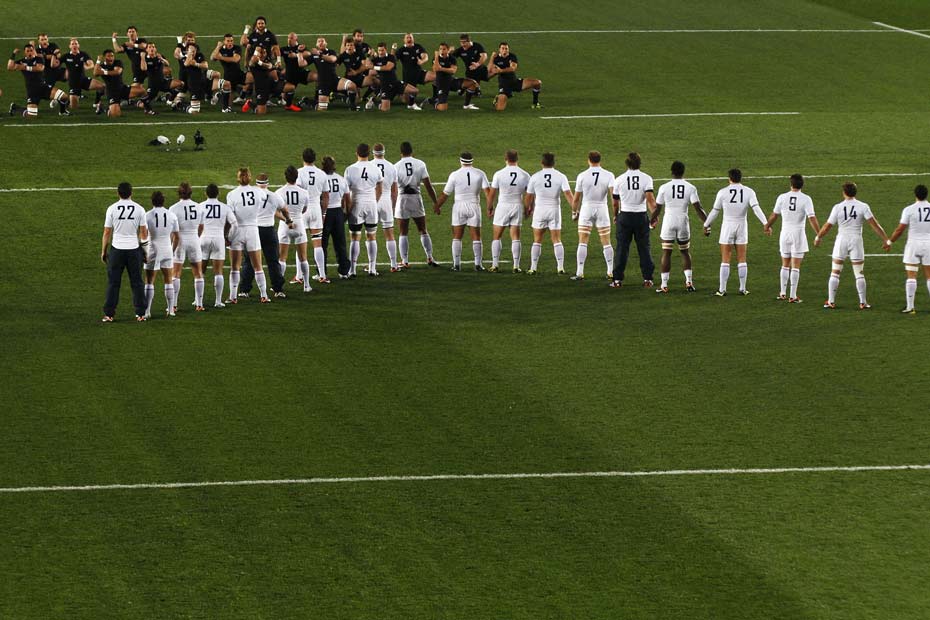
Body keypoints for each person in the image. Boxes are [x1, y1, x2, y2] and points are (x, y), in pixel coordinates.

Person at [815, 182, 891, 309]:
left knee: (835, 272)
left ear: (844, 193)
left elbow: (828, 226)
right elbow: (874, 224)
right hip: (856, 241)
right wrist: (885, 239)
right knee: (859, 273)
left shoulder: (838, 207)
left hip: (841, 241)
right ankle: (863, 302)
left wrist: (818, 237)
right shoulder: (863, 206)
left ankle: (831, 301)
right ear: (855, 192)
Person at [703, 169, 768, 297]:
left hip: (727, 227)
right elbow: (756, 209)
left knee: (725, 259)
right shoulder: (749, 192)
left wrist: (706, 224)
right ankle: (742, 289)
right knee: (742, 259)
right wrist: (765, 223)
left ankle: (722, 290)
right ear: (740, 178)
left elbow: (715, 211)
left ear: (729, 178)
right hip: (742, 226)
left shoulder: (723, 192)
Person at [764, 174, 821, 303]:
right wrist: (819, 233)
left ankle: (782, 293)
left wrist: (767, 226)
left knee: (785, 264)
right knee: (795, 267)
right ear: (802, 185)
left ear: (791, 184)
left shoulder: (782, 197)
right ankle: (793, 296)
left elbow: (774, 215)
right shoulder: (806, 199)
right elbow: (811, 218)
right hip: (798, 235)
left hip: (784, 234)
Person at [652, 160, 706, 292]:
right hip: (683, 221)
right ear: (683, 172)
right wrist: (707, 223)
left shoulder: (664, 187)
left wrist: (651, 220)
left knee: (666, 252)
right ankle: (689, 282)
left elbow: (658, 208)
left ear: (671, 172)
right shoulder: (690, 187)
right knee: (685, 252)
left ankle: (664, 285)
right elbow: (698, 208)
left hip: (669, 220)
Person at [101, 182, 149, 322]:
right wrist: (145, 252)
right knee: (137, 282)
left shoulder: (112, 209)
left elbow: (107, 232)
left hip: (117, 250)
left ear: (118, 193)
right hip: (134, 250)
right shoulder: (140, 209)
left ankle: (109, 314)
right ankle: (140, 314)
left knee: (113, 283)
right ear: (131, 193)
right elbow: (143, 233)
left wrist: (103, 251)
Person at [435, 152, 491, 271]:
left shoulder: (454, 175)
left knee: (457, 237)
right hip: (474, 206)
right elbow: (488, 192)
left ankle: (456, 265)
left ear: (460, 161)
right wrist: (490, 207)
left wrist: (437, 206)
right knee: (476, 237)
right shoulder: (480, 173)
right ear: (472, 161)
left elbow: (445, 194)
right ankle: (478, 265)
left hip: (459, 207)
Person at [239, 173, 290, 298]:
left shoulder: (251, 195)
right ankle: (278, 289)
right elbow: (285, 209)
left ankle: (244, 290)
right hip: (269, 230)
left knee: (250, 261)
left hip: (254, 230)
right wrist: (288, 219)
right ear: (267, 183)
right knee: (273, 261)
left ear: (256, 183)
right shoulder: (274, 196)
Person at [610, 152, 656, 288]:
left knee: (621, 248)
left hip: (624, 216)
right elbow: (650, 200)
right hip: (641, 216)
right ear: (639, 163)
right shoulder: (646, 178)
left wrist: (615, 215)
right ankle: (648, 279)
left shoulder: (619, 179)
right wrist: (655, 216)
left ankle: (617, 280)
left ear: (627, 164)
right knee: (644, 248)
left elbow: (615, 202)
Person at [394, 141, 440, 267]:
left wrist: (392, 204)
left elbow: (393, 188)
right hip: (416, 199)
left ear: (401, 153)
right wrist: (436, 203)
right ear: (412, 152)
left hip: (402, 199)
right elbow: (429, 186)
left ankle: (405, 261)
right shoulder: (420, 164)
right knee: (423, 230)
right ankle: (430, 257)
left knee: (403, 232)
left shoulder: (396, 166)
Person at [571, 151, 615, 281]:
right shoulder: (609, 175)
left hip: (586, 209)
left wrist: (574, 212)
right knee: (606, 241)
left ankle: (580, 272)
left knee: (583, 241)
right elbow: (613, 197)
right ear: (600, 160)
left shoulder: (582, 176)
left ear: (588, 160)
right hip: (602, 209)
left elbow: (576, 199)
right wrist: (616, 213)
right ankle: (610, 272)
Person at [525, 152, 572, 274]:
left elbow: (528, 196)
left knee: (537, 240)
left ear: (542, 163)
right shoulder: (561, 176)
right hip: (554, 210)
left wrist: (527, 209)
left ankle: (533, 268)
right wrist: (575, 208)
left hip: (540, 210)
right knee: (556, 239)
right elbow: (568, 194)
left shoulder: (535, 177)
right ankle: (560, 268)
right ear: (554, 163)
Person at [887, 184, 930, 314]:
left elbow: (900, 229)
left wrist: (890, 241)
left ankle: (910, 307)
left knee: (911, 276)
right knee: (929, 276)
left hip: (913, 245)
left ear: (915, 195)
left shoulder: (909, 209)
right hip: (929, 244)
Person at [344, 143, 384, 276]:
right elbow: (380, 187)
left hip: (356, 203)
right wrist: (375, 200)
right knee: (371, 236)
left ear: (357, 153)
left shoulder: (350, 169)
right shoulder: (375, 168)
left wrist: (347, 208)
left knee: (355, 237)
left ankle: (352, 270)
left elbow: (346, 192)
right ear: (369, 153)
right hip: (371, 203)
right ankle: (372, 268)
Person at [488, 149, 530, 273]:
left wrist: (490, 207)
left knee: (497, 236)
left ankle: (495, 265)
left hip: (503, 206)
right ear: (517, 159)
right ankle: (516, 266)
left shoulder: (499, 174)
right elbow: (529, 194)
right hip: (517, 205)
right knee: (516, 237)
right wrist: (528, 207)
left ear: (505, 159)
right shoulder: (525, 175)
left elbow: (492, 194)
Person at [198, 183, 238, 308]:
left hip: (203, 238)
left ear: (206, 193)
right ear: (218, 194)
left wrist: (196, 238)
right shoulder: (225, 207)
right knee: (218, 272)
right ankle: (218, 301)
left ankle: (198, 301)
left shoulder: (200, 206)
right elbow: (235, 224)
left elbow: (195, 224)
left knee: (200, 271)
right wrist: (229, 238)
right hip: (219, 239)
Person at [276, 166, 314, 292]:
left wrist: (286, 219)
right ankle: (307, 285)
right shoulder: (304, 193)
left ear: (285, 177)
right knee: (303, 257)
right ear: (297, 177)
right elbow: (304, 209)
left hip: (285, 226)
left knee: (282, 258)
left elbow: (276, 212)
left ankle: (279, 287)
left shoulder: (279, 192)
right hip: (299, 224)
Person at [295, 148, 332, 282]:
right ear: (314, 159)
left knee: (300, 242)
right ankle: (322, 275)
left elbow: (297, 193)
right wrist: (324, 212)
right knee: (317, 243)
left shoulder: (299, 173)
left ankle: (299, 276)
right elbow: (326, 196)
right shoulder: (322, 174)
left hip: (303, 210)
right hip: (316, 208)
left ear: (302, 158)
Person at [7, 44, 71, 118]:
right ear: (25, 53)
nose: (30, 52)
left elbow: (40, 68)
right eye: (28, 51)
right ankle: (15, 108)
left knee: (64, 97)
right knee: (31, 115)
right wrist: (13, 54)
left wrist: (24, 67)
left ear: (34, 51)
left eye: (31, 50)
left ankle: (62, 112)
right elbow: (9, 67)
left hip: (43, 87)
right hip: (32, 91)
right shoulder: (21, 61)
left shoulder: (39, 59)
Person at [143, 191, 180, 318]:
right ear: (163, 201)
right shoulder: (172, 215)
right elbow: (176, 237)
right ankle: (170, 310)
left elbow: (143, 235)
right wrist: (172, 250)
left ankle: (147, 311)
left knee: (149, 281)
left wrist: (143, 252)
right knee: (168, 280)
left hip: (153, 249)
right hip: (167, 249)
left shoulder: (147, 216)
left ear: (152, 201)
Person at [168, 182, 205, 311]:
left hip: (180, 241)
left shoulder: (173, 208)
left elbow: (172, 230)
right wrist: (196, 236)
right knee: (198, 273)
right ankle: (199, 304)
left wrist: (171, 243)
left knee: (176, 273)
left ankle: (174, 305)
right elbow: (201, 227)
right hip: (194, 239)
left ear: (179, 193)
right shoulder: (199, 207)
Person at [321, 156, 352, 278]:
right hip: (338, 213)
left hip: (325, 213)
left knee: (322, 244)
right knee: (340, 244)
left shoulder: (321, 179)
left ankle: (322, 273)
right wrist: (346, 214)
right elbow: (348, 200)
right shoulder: (341, 179)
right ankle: (344, 271)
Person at [488, 42, 541, 111]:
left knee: (537, 82)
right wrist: (492, 57)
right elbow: (489, 69)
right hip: (504, 86)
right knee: (500, 109)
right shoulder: (496, 58)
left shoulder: (512, 56)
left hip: (515, 82)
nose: (504, 50)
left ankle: (535, 103)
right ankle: (497, 99)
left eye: (506, 48)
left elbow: (513, 68)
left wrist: (501, 70)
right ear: (499, 50)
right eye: (503, 48)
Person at [372, 144, 400, 271]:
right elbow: (395, 191)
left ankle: (372, 267)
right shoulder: (392, 167)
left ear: (373, 153)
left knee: (371, 235)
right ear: (384, 152)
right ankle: (393, 265)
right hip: (387, 201)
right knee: (390, 234)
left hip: (373, 200)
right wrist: (393, 206)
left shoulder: (370, 165)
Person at [62, 38, 105, 111]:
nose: (74, 45)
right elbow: (56, 64)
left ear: (78, 45)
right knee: (74, 107)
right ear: (69, 46)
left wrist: (86, 67)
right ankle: (66, 101)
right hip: (73, 83)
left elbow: (91, 64)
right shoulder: (66, 56)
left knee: (102, 86)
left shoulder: (83, 54)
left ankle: (97, 102)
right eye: (72, 44)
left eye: (76, 43)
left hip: (83, 80)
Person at [395, 33, 433, 110]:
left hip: (419, 74)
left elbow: (425, 56)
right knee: (405, 100)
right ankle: (399, 93)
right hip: (408, 77)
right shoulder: (401, 50)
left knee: (436, 76)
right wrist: (393, 50)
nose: (409, 39)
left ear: (413, 39)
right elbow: (393, 60)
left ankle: (436, 97)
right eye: (407, 38)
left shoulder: (418, 47)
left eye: (410, 37)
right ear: (404, 40)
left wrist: (422, 61)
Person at [211, 34, 245, 113]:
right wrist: (218, 47)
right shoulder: (221, 50)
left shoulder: (237, 48)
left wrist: (221, 57)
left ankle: (242, 96)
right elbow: (212, 58)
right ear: (224, 42)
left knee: (250, 79)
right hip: (228, 75)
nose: (230, 43)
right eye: (228, 41)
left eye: (231, 41)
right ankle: (219, 96)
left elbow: (235, 59)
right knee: (229, 103)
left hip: (238, 73)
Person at [279, 33, 313, 111]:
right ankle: (282, 98)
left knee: (317, 76)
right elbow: (275, 54)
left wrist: (296, 55)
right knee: (285, 96)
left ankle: (319, 98)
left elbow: (308, 53)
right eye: (288, 38)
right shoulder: (284, 49)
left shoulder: (300, 47)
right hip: (290, 75)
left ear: (296, 39)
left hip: (301, 73)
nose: (289, 40)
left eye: (291, 38)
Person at [310, 37, 339, 112]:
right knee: (322, 109)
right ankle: (307, 101)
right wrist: (300, 53)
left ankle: (335, 95)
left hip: (334, 79)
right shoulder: (314, 55)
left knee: (351, 87)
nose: (321, 43)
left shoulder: (331, 51)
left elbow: (332, 59)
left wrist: (319, 54)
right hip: (323, 82)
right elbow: (302, 64)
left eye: (322, 41)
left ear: (326, 43)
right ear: (316, 44)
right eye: (319, 41)